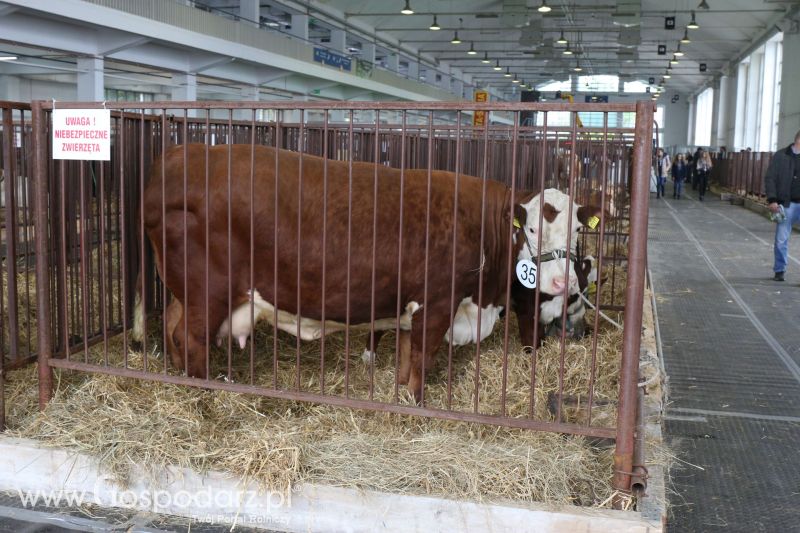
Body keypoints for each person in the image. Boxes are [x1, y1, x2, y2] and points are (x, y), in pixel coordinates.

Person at [765, 129, 800, 282]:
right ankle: (779, 271)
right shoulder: (781, 155)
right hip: (786, 204)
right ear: (798, 140)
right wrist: (772, 199)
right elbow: (770, 178)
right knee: (781, 239)